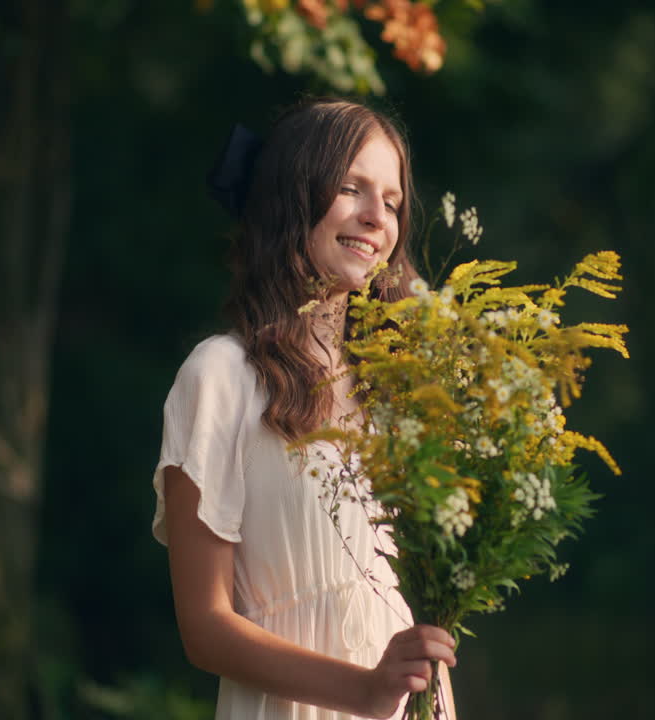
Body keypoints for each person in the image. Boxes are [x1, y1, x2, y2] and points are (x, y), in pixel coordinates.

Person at [152, 98, 458, 720]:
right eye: (351, 188)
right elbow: (204, 626)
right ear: (292, 198)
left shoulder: (400, 389)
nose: (377, 217)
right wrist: (363, 690)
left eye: (393, 202)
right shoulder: (220, 378)